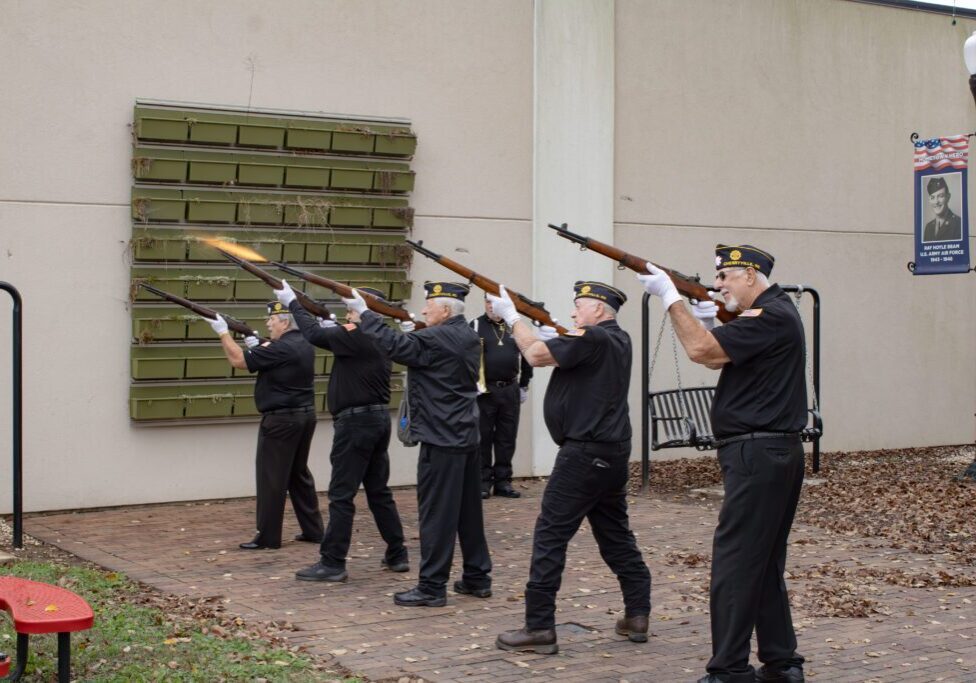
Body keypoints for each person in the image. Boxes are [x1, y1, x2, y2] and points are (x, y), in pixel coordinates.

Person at [638, 245, 807, 683]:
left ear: (751, 275)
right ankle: (782, 662)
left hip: (756, 453)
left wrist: (670, 297)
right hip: (773, 452)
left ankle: (730, 669)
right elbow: (721, 354)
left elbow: (700, 351)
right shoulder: (774, 314)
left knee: (734, 562)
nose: (719, 286)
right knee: (764, 560)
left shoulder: (768, 316)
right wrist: (711, 317)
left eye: (726, 278)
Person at [489, 281, 651, 655]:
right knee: (615, 534)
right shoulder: (616, 338)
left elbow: (535, 356)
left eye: (580, 305)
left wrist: (514, 316)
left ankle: (539, 626)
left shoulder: (591, 336)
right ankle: (637, 613)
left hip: (582, 454)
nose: (575, 312)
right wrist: (550, 332)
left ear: (598, 309)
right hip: (610, 452)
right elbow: (564, 351)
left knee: (550, 535)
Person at [346, 281, 492, 607]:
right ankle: (477, 577)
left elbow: (396, 346)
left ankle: (431, 587)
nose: (424, 309)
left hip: (441, 438)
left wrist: (366, 314)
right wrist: (411, 331)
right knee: (468, 514)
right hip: (465, 435)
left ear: (444, 310)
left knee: (436, 515)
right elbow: (416, 346)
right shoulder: (466, 334)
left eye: (429, 305)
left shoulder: (436, 337)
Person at [270, 282, 409, 583]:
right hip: (375, 420)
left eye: (353, 308)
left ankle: (333, 561)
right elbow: (328, 334)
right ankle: (397, 553)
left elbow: (314, 335)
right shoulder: (375, 335)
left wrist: (293, 303)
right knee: (378, 491)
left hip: (355, 424)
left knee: (341, 495)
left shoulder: (359, 335)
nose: (348, 313)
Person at [207, 302, 324, 550]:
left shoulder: (281, 348)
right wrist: (259, 346)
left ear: (285, 322)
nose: (268, 323)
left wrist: (223, 332)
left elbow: (238, 361)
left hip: (281, 421)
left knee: (271, 478)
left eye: (272, 319)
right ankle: (314, 530)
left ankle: (268, 537)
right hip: (304, 416)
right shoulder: (303, 343)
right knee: (297, 474)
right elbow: (276, 361)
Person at [471, 295, 533, 499]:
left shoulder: (514, 326)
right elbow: (466, 357)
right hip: (484, 390)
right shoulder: (475, 325)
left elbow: (527, 355)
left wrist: (524, 384)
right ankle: (482, 481)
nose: (490, 306)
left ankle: (503, 482)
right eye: (487, 301)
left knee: (507, 437)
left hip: (510, 389)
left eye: (494, 302)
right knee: (484, 437)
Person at [923, 176, 962, 242]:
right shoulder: (928, 227)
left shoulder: (959, 224)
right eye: (932, 198)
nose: (936, 202)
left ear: (948, 197)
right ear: (929, 200)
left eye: (940, 196)